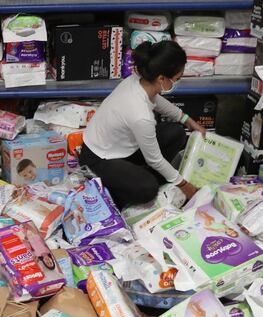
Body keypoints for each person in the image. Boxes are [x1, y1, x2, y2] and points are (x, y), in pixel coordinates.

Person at [79, 40, 206, 208]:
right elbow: (154, 159)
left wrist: (187, 120)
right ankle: (113, 190)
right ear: (161, 78)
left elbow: (156, 100)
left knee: (176, 132)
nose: (177, 82)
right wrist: (185, 186)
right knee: (148, 189)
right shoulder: (141, 115)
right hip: (99, 158)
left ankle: (136, 176)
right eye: (177, 79)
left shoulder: (139, 81)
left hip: (122, 148)